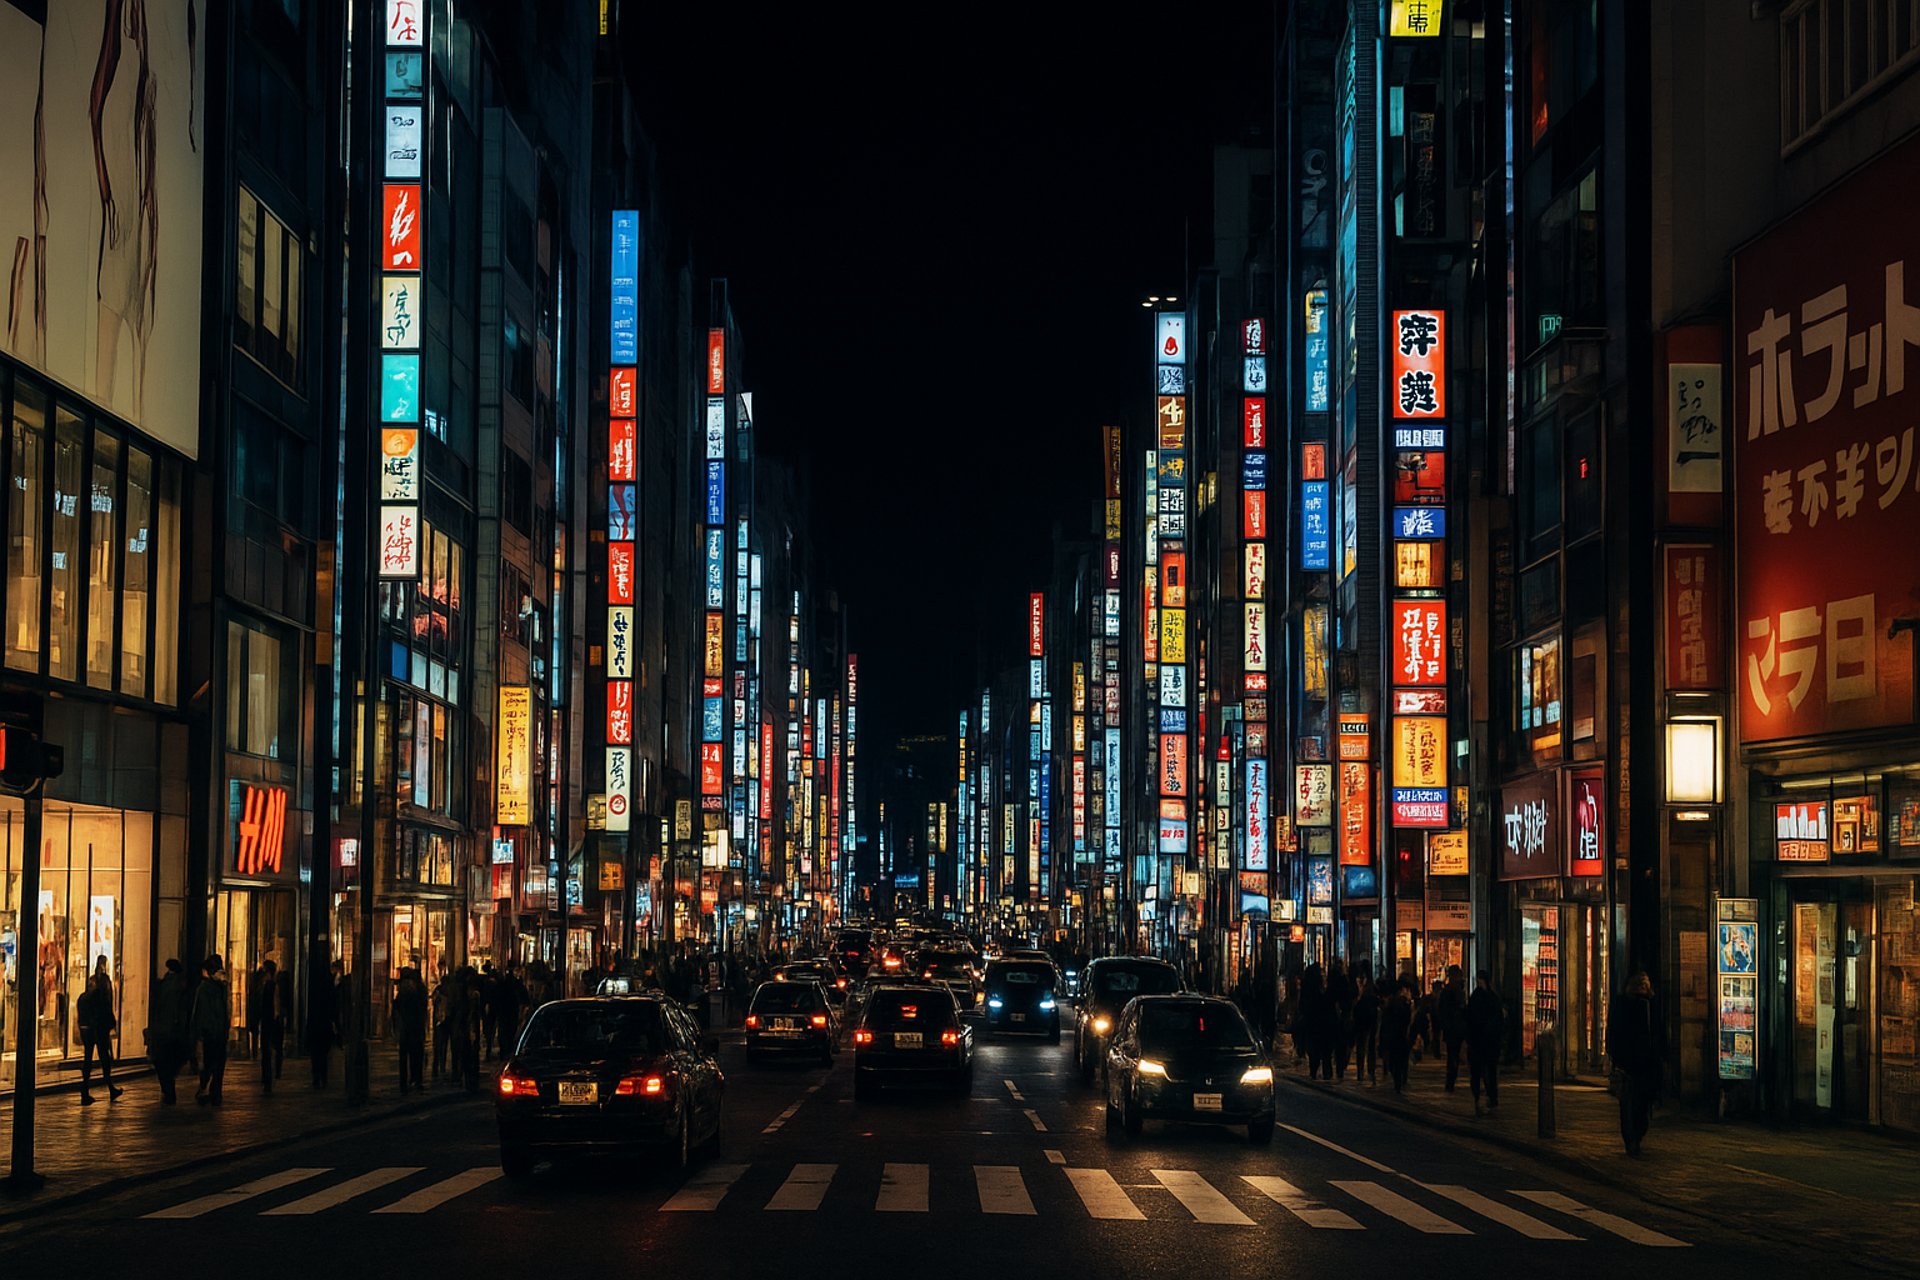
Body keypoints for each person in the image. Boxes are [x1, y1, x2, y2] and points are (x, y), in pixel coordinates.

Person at [1608, 969, 1666, 1156]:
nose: (1642, 987)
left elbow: (1660, 1031)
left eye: (1645, 983)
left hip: (1648, 1064)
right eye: (1639, 983)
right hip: (1628, 1064)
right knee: (1629, 1104)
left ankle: (1637, 1136)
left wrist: (1662, 1054)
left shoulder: (1652, 1005)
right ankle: (1631, 1140)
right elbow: (1614, 1033)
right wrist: (1616, 1057)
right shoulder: (1622, 1004)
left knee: (1643, 1105)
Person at [76, 956, 123, 1103]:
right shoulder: (104, 984)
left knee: (88, 1058)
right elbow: (106, 1004)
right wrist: (111, 1022)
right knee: (104, 1059)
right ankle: (109, 1088)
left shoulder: (88, 988)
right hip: (99, 1027)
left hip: (87, 1027)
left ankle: (85, 1090)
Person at [145, 958, 192, 1103]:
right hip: (174, 1031)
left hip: (161, 1030)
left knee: (161, 1062)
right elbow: (183, 1010)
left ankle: (167, 1089)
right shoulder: (181, 987)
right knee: (172, 1061)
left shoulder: (162, 985)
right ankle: (169, 1089)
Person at [191, 955, 232, 1106]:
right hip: (219, 1033)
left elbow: (200, 1013)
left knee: (207, 1064)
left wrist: (198, 1033)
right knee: (218, 1066)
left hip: (209, 1033)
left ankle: (204, 1090)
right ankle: (215, 1094)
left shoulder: (204, 988)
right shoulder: (222, 987)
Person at [1466, 970, 1504, 1115]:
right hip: (1486, 1042)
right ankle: (1488, 1098)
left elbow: (1470, 1019)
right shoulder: (1490, 997)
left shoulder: (1480, 997)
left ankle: (1484, 1098)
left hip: (1481, 1042)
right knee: (1486, 1071)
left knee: (1481, 1072)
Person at [249, 957, 286, 1091]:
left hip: (265, 1021)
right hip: (271, 1021)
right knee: (273, 1049)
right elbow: (276, 1006)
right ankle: (272, 1074)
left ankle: (267, 1077)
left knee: (266, 1051)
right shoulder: (272, 986)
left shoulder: (260, 986)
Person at [393, 965, 428, 1094]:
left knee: (404, 1057)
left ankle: (404, 1084)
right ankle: (416, 1080)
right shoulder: (420, 990)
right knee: (416, 1056)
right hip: (416, 1028)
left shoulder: (403, 991)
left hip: (405, 1028)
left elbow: (396, 1008)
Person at [306, 958, 337, 1088]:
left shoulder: (312, 986)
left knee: (315, 1052)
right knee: (323, 1053)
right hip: (324, 1023)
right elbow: (333, 1006)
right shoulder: (329, 986)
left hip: (315, 1023)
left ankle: (316, 1076)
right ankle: (323, 1076)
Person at [1380, 980, 1414, 1092]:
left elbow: (1385, 1022)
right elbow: (1407, 1019)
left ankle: (1398, 1080)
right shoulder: (1404, 1003)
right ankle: (1401, 1080)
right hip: (1401, 1035)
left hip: (1393, 1035)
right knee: (1401, 1059)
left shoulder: (1390, 1005)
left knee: (1394, 1060)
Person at [1438, 965, 1468, 1092]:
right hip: (1455, 1028)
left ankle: (1450, 1082)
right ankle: (1450, 1081)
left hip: (1452, 1028)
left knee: (1453, 1055)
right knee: (1453, 1055)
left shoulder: (1448, 991)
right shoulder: (1454, 991)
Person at [1351, 971, 1380, 1085]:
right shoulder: (1361, 990)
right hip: (1364, 1022)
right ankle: (1364, 1071)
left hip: (1366, 1021)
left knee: (1366, 1047)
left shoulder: (1367, 992)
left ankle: (1367, 1071)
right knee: (1364, 1047)